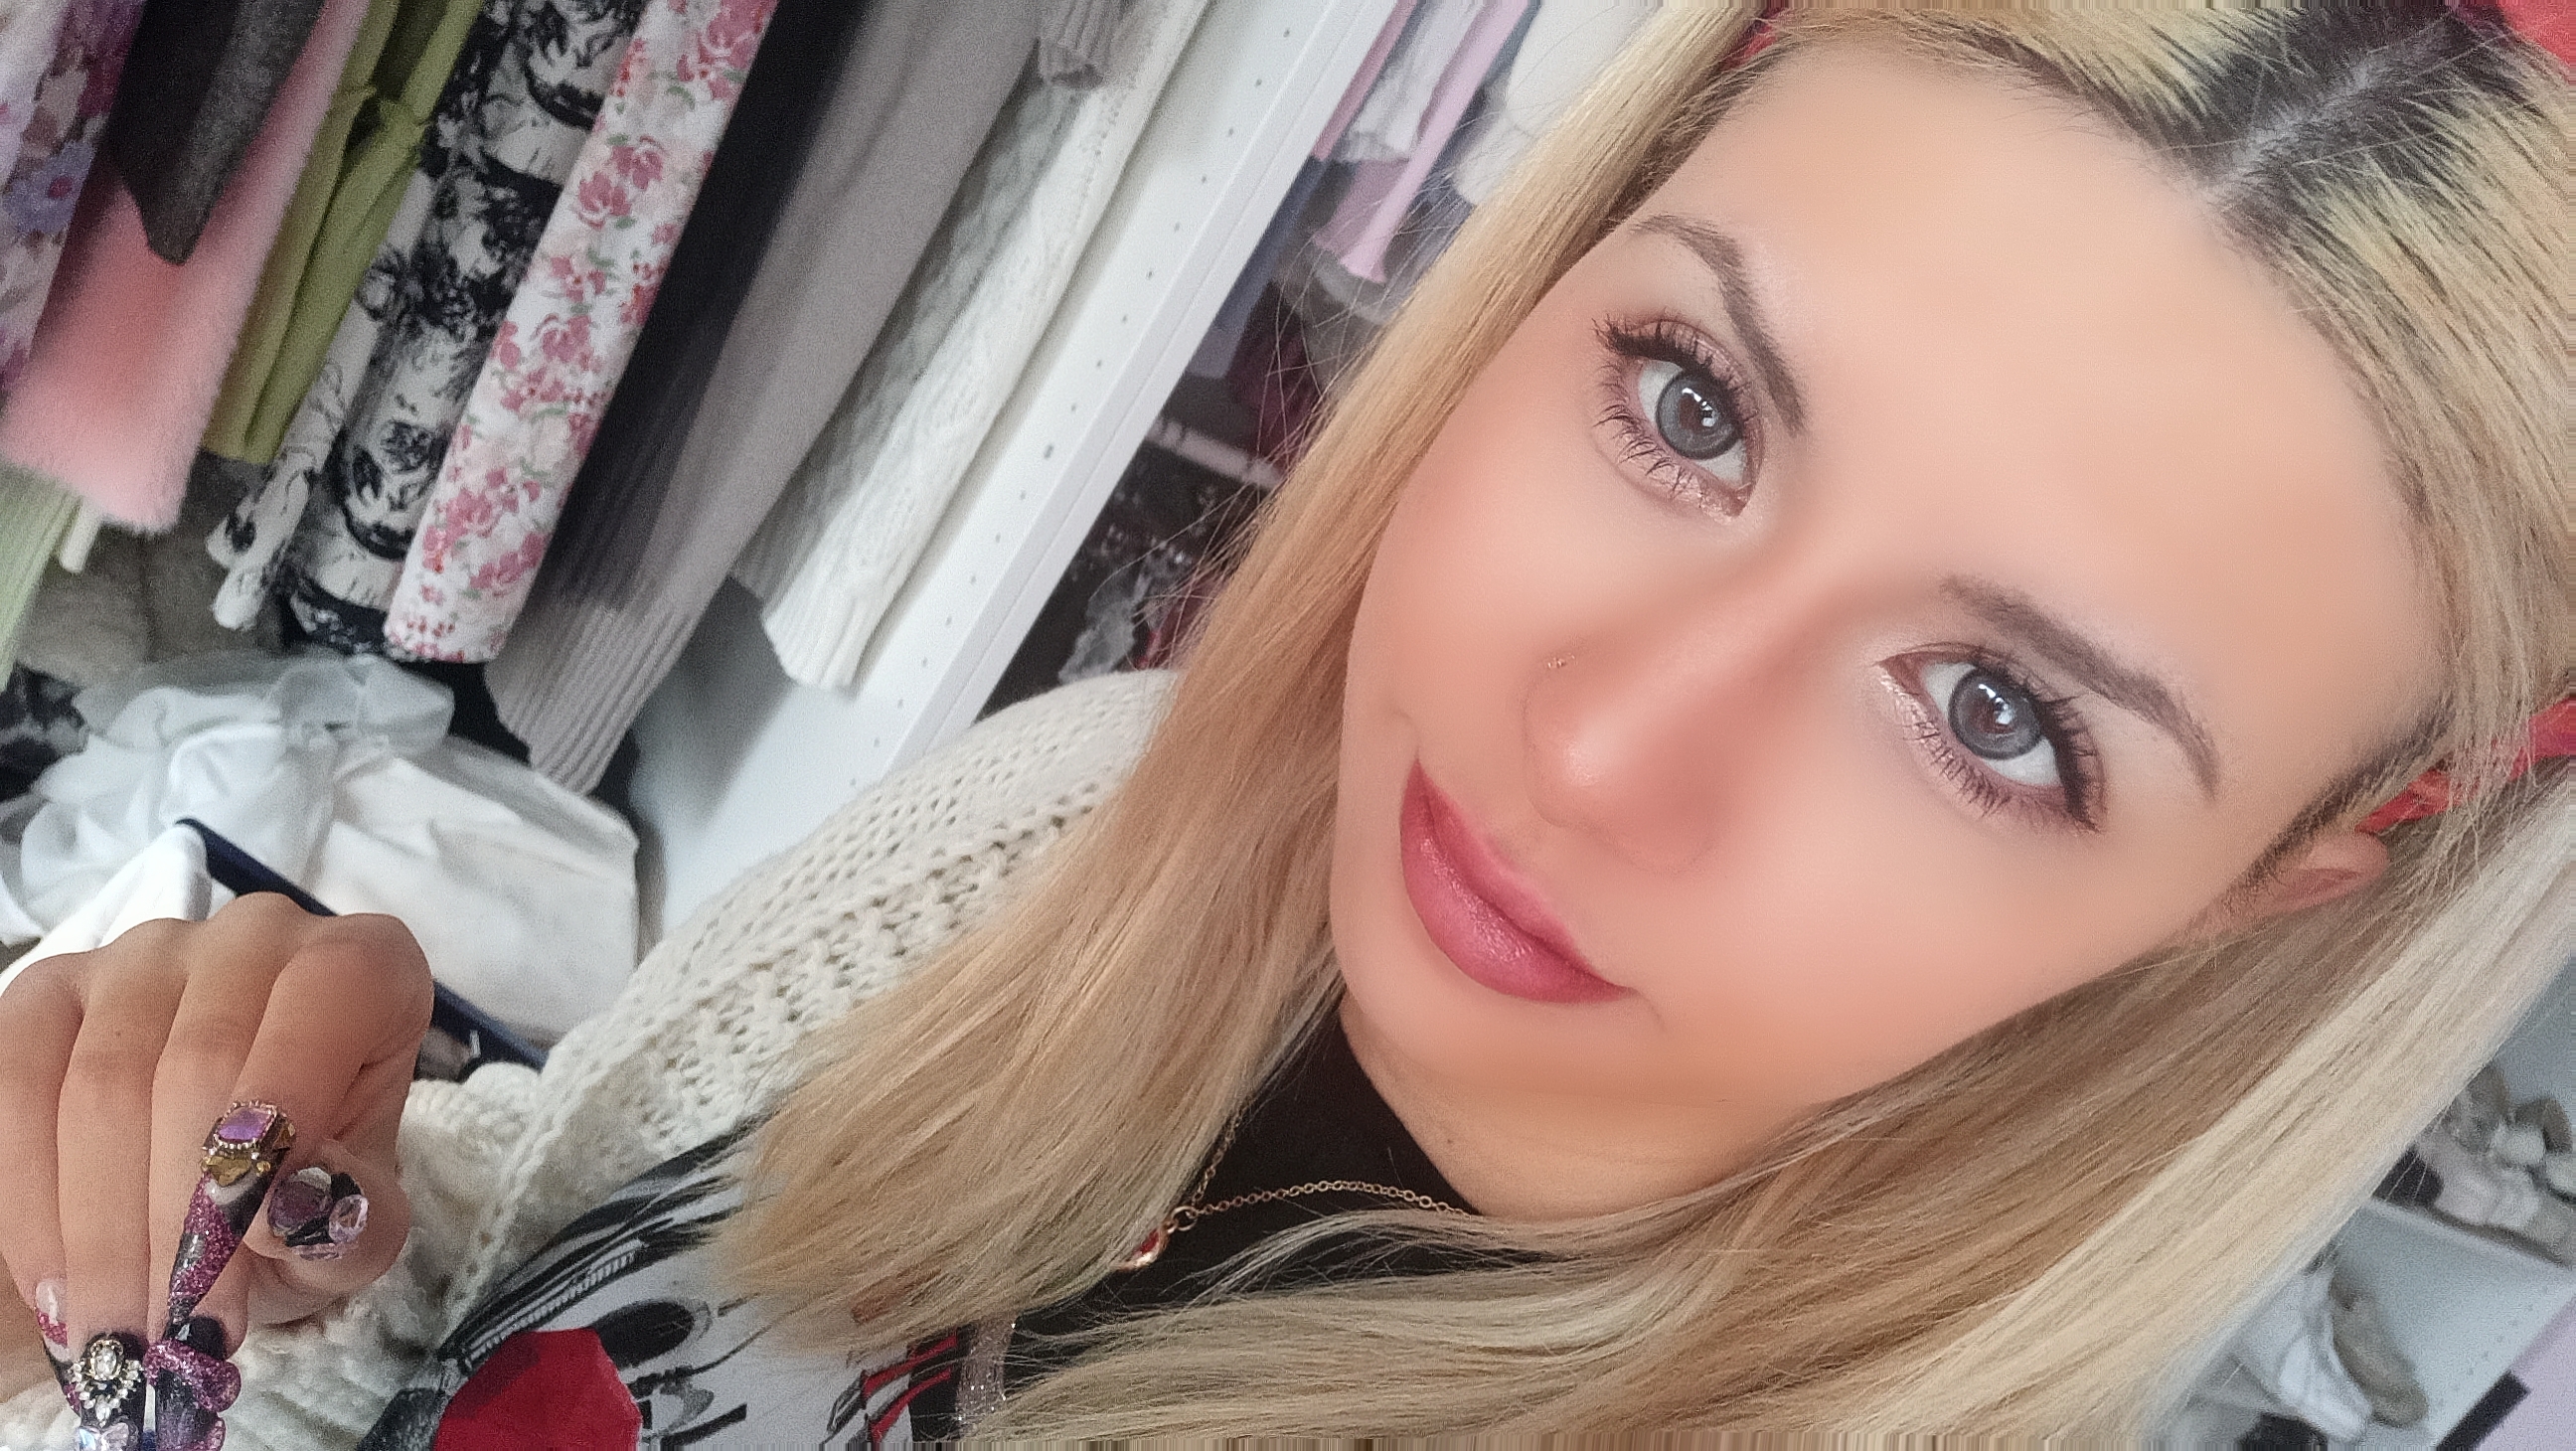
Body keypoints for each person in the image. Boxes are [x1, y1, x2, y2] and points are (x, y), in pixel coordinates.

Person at [1, 1, 2566, 1440]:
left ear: (2274, 885)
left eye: (1997, 712)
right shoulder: (1088, 818)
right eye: (1687, 404)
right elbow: (573, 1286)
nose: (1599, 747)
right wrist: (282, 1223)